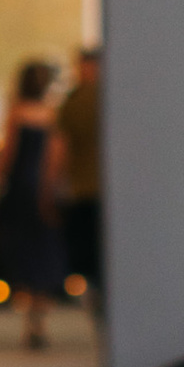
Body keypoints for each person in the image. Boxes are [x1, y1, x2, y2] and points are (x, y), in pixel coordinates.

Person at [0, 53, 69, 347]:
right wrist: (50, 189)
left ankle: (30, 318)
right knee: (42, 250)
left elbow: (6, 156)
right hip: (39, 188)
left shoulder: (16, 112)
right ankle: (39, 318)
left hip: (20, 189)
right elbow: (55, 156)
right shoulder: (52, 114)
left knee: (22, 250)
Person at [56, 39, 103, 300]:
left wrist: (54, 183)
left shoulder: (73, 101)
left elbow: (59, 148)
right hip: (106, 189)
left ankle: (93, 298)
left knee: (86, 255)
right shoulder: (111, 97)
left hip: (81, 187)